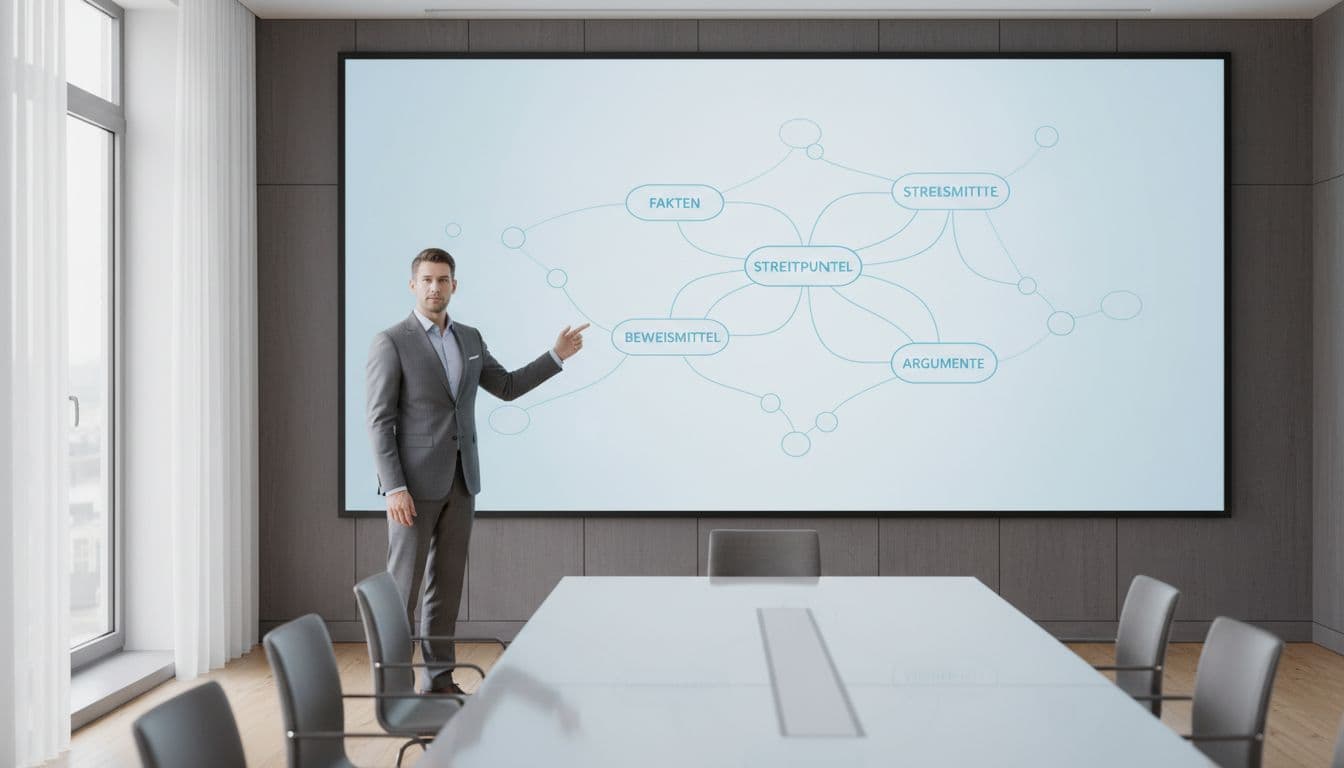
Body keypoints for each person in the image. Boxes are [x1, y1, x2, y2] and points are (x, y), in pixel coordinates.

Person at [366, 247, 588, 693]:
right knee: (401, 593)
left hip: (462, 482)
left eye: (442, 279)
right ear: (413, 285)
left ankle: (440, 680)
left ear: (454, 285)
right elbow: (378, 420)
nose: (434, 287)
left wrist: (555, 355)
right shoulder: (391, 341)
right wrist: (393, 487)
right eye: (426, 279)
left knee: (445, 590)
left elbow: (505, 387)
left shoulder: (469, 338)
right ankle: (393, 689)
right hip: (412, 489)